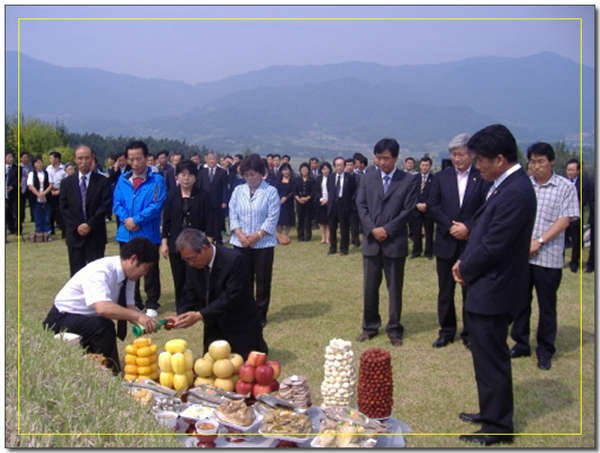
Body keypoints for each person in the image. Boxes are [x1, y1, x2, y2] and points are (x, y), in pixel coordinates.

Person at [452, 124, 536, 445]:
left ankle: (499, 426)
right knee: (484, 356)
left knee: (492, 358)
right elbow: (482, 231)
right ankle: (489, 412)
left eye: (481, 160)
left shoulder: (516, 191)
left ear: (500, 159)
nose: (477, 167)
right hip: (486, 285)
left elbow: (494, 245)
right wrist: (465, 261)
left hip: (495, 288)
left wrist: (465, 266)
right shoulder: (504, 185)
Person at [42, 237, 159, 374]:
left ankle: (106, 371)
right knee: (103, 326)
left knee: (101, 325)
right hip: (61, 319)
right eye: (146, 268)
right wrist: (138, 316)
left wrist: (147, 322)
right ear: (133, 259)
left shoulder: (129, 276)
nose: (145, 273)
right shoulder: (101, 271)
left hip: (85, 319)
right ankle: (109, 375)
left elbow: (130, 308)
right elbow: (103, 308)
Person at [510, 142, 579, 370]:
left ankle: (545, 349)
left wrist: (539, 241)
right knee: (520, 302)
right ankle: (521, 343)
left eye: (541, 161)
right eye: (532, 161)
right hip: (521, 257)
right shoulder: (524, 185)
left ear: (551, 162)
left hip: (548, 257)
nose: (536, 166)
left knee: (547, 305)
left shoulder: (564, 187)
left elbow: (565, 219)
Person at [427, 133, 490, 349]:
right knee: (445, 290)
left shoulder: (482, 177)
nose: (457, 159)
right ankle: (446, 331)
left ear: (471, 155)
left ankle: (470, 333)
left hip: (470, 243)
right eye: (454, 154)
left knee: (469, 290)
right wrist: (450, 226)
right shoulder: (441, 177)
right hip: (446, 241)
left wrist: (468, 227)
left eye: (461, 154)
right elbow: (433, 206)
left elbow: (486, 208)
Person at [356, 138, 418, 347]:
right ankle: (370, 326)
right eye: (378, 158)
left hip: (395, 243)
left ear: (396, 158)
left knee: (395, 289)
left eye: (386, 158)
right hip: (371, 242)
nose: (382, 162)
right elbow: (361, 205)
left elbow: (408, 210)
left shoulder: (408, 180)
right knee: (369, 288)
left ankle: (394, 328)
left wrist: (387, 229)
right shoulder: (368, 177)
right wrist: (372, 229)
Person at [169, 229, 268, 359]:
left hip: (240, 325)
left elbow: (232, 297)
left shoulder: (234, 260)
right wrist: (181, 315)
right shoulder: (193, 264)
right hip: (214, 327)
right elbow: (189, 292)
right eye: (186, 260)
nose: (190, 263)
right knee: (210, 364)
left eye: (191, 259)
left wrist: (199, 315)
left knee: (239, 364)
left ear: (204, 248)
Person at [113, 140, 167, 318]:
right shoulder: (123, 179)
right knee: (129, 268)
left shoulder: (157, 180)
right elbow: (117, 203)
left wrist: (137, 219)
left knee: (150, 269)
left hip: (147, 233)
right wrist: (126, 219)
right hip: (126, 233)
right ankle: (134, 301)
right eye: (131, 159)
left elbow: (157, 204)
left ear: (146, 158)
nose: (135, 163)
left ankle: (152, 302)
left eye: (138, 158)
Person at [228, 154, 280, 327]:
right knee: (243, 279)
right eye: (246, 175)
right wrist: (240, 234)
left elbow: (272, 217)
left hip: (263, 244)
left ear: (261, 173)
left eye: (253, 174)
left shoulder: (270, 192)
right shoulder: (238, 191)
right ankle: (245, 311)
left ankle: (260, 314)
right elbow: (232, 213)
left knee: (263, 280)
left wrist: (257, 235)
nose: (250, 178)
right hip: (240, 242)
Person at [161, 160, 210, 314]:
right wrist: (164, 243)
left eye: (190, 175)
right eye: (183, 175)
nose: (186, 178)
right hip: (176, 243)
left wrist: (209, 240)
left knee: (197, 275)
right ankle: (182, 307)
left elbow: (210, 220)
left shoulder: (203, 196)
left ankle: (200, 307)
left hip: (197, 243)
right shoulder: (171, 195)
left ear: (195, 177)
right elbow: (166, 221)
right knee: (179, 276)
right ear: (177, 177)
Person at [59, 145, 112, 276]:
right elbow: (64, 208)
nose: (84, 161)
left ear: (92, 158)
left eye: (87, 158)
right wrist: (78, 225)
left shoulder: (102, 181)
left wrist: (89, 224)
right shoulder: (66, 183)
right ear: (75, 159)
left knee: (96, 274)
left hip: (96, 234)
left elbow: (105, 206)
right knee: (77, 275)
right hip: (75, 234)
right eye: (80, 158)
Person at [327, 157, 356, 255]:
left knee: (344, 228)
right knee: (332, 228)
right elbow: (329, 190)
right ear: (334, 166)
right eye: (337, 165)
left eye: (341, 165)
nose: (339, 167)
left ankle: (344, 248)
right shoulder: (331, 177)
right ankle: (333, 247)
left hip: (344, 205)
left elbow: (353, 191)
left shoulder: (350, 177)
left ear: (344, 166)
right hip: (333, 205)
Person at [197, 152, 228, 244]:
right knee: (206, 221)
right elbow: (199, 186)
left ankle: (218, 241)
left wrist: (224, 201)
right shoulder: (202, 172)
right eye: (209, 159)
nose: (211, 161)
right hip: (205, 202)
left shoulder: (222, 172)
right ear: (206, 160)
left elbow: (225, 188)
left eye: (213, 159)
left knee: (217, 222)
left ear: (217, 160)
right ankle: (206, 241)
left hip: (218, 202)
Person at [410, 156, 435, 259]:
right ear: (420, 166)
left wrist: (426, 204)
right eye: (423, 165)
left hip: (428, 210)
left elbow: (435, 194)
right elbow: (411, 193)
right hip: (416, 209)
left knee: (429, 232)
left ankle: (429, 252)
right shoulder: (414, 178)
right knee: (416, 231)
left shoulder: (435, 179)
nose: (425, 167)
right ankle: (416, 251)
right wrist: (417, 204)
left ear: (430, 166)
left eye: (427, 165)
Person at [27, 156, 53, 242]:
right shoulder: (31, 174)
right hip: (35, 198)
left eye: (40, 162)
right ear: (34, 164)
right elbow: (30, 186)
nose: (39, 164)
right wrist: (39, 195)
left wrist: (43, 194)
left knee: (47, 216)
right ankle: (39, 234)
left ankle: (48, 233)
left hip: (47, 198)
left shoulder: (47, 173)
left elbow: (51, 185)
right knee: (38, 216)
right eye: (37, 162)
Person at [564, 158, 581, 272]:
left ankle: (574, 263)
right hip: (563, 216)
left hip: (576, 217)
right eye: (568, 170)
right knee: (561, 240)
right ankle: (559, 260)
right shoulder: (562, 182)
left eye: (572, 170)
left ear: (578, 171)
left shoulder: (583, 183)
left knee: (576, 241)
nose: (569, 172)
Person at [46, 151, 67, 238]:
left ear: (57, 159)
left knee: (60, 212)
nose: (50, 160)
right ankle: (51, 230)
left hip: (61, 192)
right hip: (50, 191)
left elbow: (66, 182)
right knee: (50, 211)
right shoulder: (48, 169)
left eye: (52, 158)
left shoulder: (63, 169)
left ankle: (63, 230)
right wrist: (50, 190)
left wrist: (60, 191)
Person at [294, 162, 315, 242]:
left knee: (307, 220)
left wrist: (307, 198)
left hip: (309, 203)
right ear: (300, 170)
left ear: (308, 170)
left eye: (306, 169)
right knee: (300, 220)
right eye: (303, 169)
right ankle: (300, 236)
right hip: (299, 202)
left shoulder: (312, 180)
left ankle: (308, 236)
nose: (304, 171)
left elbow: (313, 191)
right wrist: (298, 199)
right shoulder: (296, 179)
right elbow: (294, 191)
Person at [351, 154, 368, 247]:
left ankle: (367, 239)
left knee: (365, 221)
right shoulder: (353, 174)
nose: (355, 164)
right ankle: (355, 239)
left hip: (366, 202)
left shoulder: (369, 173)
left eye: (356, 162)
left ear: (362, 163)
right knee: (354, 222)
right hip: (355, 202)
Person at [275, 162, 295, 239]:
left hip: (289, 203)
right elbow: (275, 191)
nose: (286, 172)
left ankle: (286, 235)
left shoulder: (293, 180)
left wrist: (286, 197)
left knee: (288, 221)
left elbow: (293, 191)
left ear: (290, 170)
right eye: (284, 170)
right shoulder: (278, 180)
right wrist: (279, 198)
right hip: (279, 202)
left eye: (287, 170)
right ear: (281, 171)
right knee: (279, 220)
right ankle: (279, 235)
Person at [316, 162, 332, 244]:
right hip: (321, 202)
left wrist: (328, 200)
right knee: (321, 222)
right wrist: (321, 199)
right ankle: (323, 238)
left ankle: (328, 238)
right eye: (323, 169)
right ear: (321, 170)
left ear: (330, 169)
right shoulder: (318, 178)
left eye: (327, 168)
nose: (325, 170)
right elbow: (317, 191)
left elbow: (333, 191)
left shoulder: (332, 178)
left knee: (329, 222)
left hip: (330, 202)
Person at [18, 151, 33, 232]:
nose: (25, 159)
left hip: (30, 187)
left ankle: (33, 217)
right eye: (24, 157)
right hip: (22, 187)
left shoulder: (31, 166)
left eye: (27, 157)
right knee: (22, 204)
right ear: (21, 158)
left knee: (32, 203)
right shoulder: (18, 166)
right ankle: (22, 218)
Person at [583, 174, 595, 273]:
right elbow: (587, 199)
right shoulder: (592, 180)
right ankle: (591, 265)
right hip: (595, 216)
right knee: (594, 243)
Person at [5, 151, 18, 235]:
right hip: (5, 194)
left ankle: (16, 229)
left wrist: (12, 186)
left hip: (14, 193)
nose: (11, 158)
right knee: (7, 212)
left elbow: (17, 179)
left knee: (15, 212)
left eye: (12, 157)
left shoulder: (17, 168)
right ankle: (10, 228)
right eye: (9, 157)